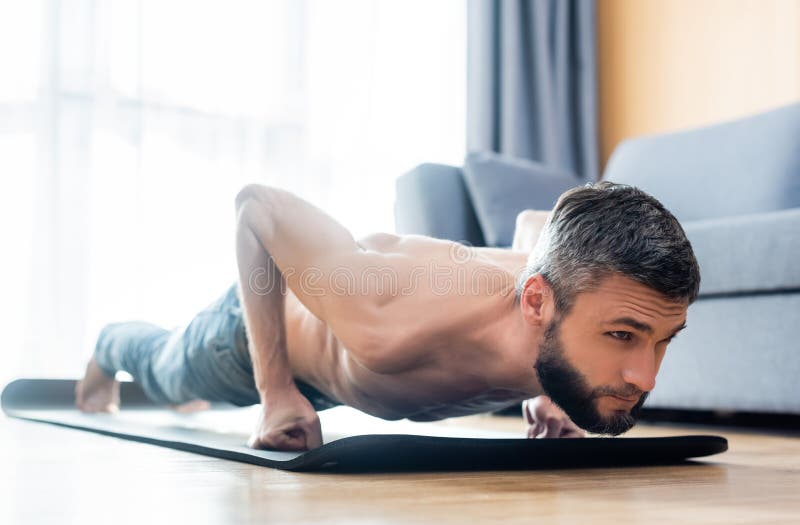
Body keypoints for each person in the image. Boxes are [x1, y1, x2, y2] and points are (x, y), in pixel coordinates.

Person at [75, 181, 700, 452]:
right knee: (163, 374)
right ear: (536, 303)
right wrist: (274, 390)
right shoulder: (388, 323)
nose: (645, 378)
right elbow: (258, 207)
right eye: (623, 337)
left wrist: (553, 392)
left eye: (662, 341)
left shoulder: (561, 295)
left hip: (347, 356)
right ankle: (108, 348)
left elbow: (538, 224)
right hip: (247, 339)